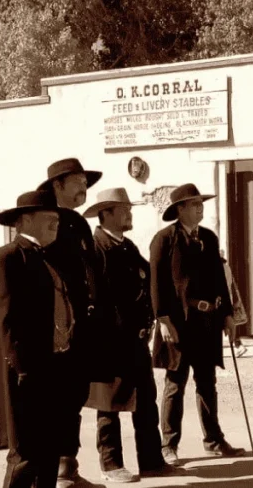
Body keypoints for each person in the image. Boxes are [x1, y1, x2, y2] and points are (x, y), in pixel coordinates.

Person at [82, 188, 175, 482]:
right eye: (123, 209)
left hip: (136, 342)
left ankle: (151, 460)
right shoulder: (95, 249)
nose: (129, 213)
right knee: (108, 406)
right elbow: (98, 299)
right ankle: (111, 465)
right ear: (106, 213)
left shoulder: (127, 246)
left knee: (146, 402)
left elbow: (147, 283)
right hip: (110, 343)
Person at [150, 183, 245, 466]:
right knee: (175, 384)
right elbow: (157, 284)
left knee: (207, 383)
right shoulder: (164, 239)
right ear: (180, 210)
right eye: (194, 205)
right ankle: (169, 444)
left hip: (207, 323)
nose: (200, 208)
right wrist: (163, 319)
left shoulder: (209, 238)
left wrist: (228, 315)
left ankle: (214, 440)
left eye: (201, 204)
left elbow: (219, 279)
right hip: (178, 324)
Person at [38, 158, 113, 488]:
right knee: (52, 400)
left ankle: (68, 468)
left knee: (73, 397)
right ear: (58, 186)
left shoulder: (80, 224)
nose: (84, 187)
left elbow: (92, 273)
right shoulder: (45, 221)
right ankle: (50, 470)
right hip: (56, 327)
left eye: (85, 181)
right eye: (78, 181)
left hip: (84, 325)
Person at [0, 190, 64, 488]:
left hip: (52, 365)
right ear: (26, 220)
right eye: (50, 218)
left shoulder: (47, 258)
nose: (57, 223)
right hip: (23, 370)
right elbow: (2, 320)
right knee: (26, 452)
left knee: (50, 447)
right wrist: (22, 368)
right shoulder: (5, 259)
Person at [221, 249, 248, 357]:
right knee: (228, 323)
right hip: (228, 299)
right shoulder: (227, 267)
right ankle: (239, 345)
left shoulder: (215, 267)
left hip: (219, 300)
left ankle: (238, 346)